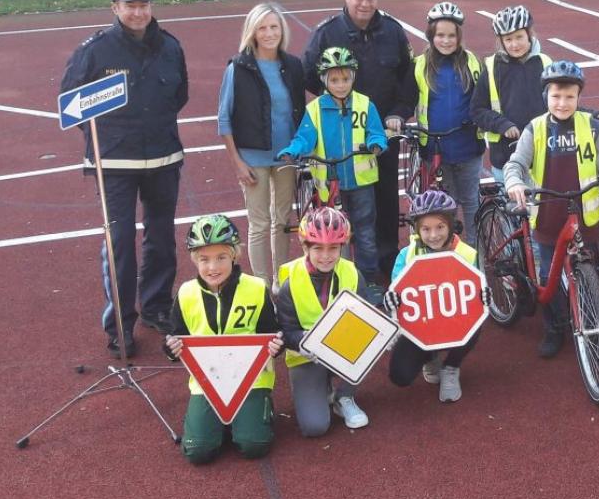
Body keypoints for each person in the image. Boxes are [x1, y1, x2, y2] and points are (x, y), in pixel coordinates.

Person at [60, 0, 188, 357]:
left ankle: (156, 306)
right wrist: (112, 134)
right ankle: (120, 323)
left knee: (161, 237)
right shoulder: (95, 50)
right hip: (114, 162)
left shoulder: (170, 46)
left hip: (163, 156)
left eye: (143, 4)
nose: (137, 12)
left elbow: (179, 95)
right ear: (115, 7)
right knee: (119, 244)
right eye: (130, 5)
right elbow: (71, 103)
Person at [504, 61, 599, 357]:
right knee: (549, 275)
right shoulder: (535, 128)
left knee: (589, 270)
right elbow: (516, 163)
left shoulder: (594, 127)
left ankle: (588, 317)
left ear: (579, 97)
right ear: (546, 96)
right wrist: (514, 182)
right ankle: (554, 327)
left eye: (569, 96)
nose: (562, 103)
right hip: (549, 214)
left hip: (586, 214)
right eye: (556, 96)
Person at [302, 0, 416, 282]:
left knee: (385, 200)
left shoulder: (393, 31)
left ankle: (385, 264)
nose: (365, 3)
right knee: (342, 204)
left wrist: (399, 112)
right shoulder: (326, 34)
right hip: (339, 139)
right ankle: (340, 267)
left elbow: (407, 78)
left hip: (383, 135)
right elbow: (309, 75)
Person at [163, 215, 284, 465]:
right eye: (204, 259)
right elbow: (175, 336)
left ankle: (253, 415)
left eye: (221, 257)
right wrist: (170, 348)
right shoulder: (186, 293)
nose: (213, 267)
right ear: (195, 260)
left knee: (254, 445)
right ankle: (214, 422)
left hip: (251, 380)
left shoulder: (256, 288)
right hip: (207, 381)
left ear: (234, 255)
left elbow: (272, 333)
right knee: (197, 452)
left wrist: (276, 346)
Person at [278, 47, 388, 298]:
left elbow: (376, 132)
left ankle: (368, 279)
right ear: (324, 81)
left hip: (361, 183)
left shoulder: (364, 104)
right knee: (333, 235)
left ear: (353, 78)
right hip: (329, 184)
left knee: (365, 232)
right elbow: (304, 137)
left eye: (345, 79)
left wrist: (376, 143)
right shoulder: (315, 109)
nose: (341, 85)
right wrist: (293, 149)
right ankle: (338, 279)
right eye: (334, 80)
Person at [217, 2, 306, 283]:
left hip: (286, 157)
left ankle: (281, 281)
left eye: (274, 27)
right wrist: (237, 162)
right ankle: (262, 285)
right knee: (259, 224)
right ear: (253, 32)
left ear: (282, 30)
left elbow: (299, 111)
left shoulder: (292, 66)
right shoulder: (238, 68)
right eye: (262, 28)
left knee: (282, 221)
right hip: (253, 158)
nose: (269, 33)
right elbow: (224, 119)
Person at [274, 207, 370, 435]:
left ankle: (344, 397)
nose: (326, 256)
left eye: (333, 248)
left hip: (342, 348)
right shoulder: (290, 281)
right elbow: (285, 331)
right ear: (305, 247)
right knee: (314, 427)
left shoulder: (353, 274)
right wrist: (305, 341)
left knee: (370, 344)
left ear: (341, 247)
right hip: (305, 356)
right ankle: (322, 385)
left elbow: (367, 320)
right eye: (318, 248)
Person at [385, 190, 482, 402]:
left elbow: (474, 294)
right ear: (417, 230)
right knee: (400, 376)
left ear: (451, 225)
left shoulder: (466, 254)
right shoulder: (407, 255)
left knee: (477, 316)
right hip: (420, 326)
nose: (434, 235)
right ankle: (430, 356)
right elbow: (396, 291)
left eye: (440, 227)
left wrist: (484, 297)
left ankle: (451, 367)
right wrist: (391, 300)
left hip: (454, 321)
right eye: (426, 229)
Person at [410, 2, 486, 244]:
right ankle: (447, 252)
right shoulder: (420, 65)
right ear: (431, 35)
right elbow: (406, 98)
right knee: (444, 207)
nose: (446, 41)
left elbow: (483, 98)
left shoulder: (471, 62)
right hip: (435, 150)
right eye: (440, 35)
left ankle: (474, 251)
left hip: (468, 146)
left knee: (471, 202)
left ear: (459, 36)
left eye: (451, 36)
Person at [471, 5, 552, 182]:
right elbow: (477, 110)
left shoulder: (545, 63)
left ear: (529, 34)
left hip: (542, 156)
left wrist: (591, 114)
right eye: (508, 39)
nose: (514, 44)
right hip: (506, 158)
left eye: (519, 37)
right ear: (501, 41)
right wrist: (502, 125)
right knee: (510, 200)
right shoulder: (492, 67)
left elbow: (561, 102)